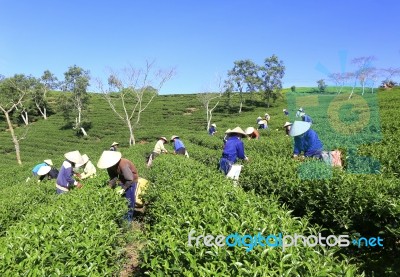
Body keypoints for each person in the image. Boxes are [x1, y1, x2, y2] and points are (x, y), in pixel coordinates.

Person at [97, 151, 138, 223]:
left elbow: (130, 179)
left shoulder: (123, 164)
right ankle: (122, 216)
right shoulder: (109, 167)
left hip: (131, 181)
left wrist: (123, 189)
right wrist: (109, 187)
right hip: (122, 180)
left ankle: (128, 220)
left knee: (129, 200)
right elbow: (113, 178)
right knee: (122, 200)